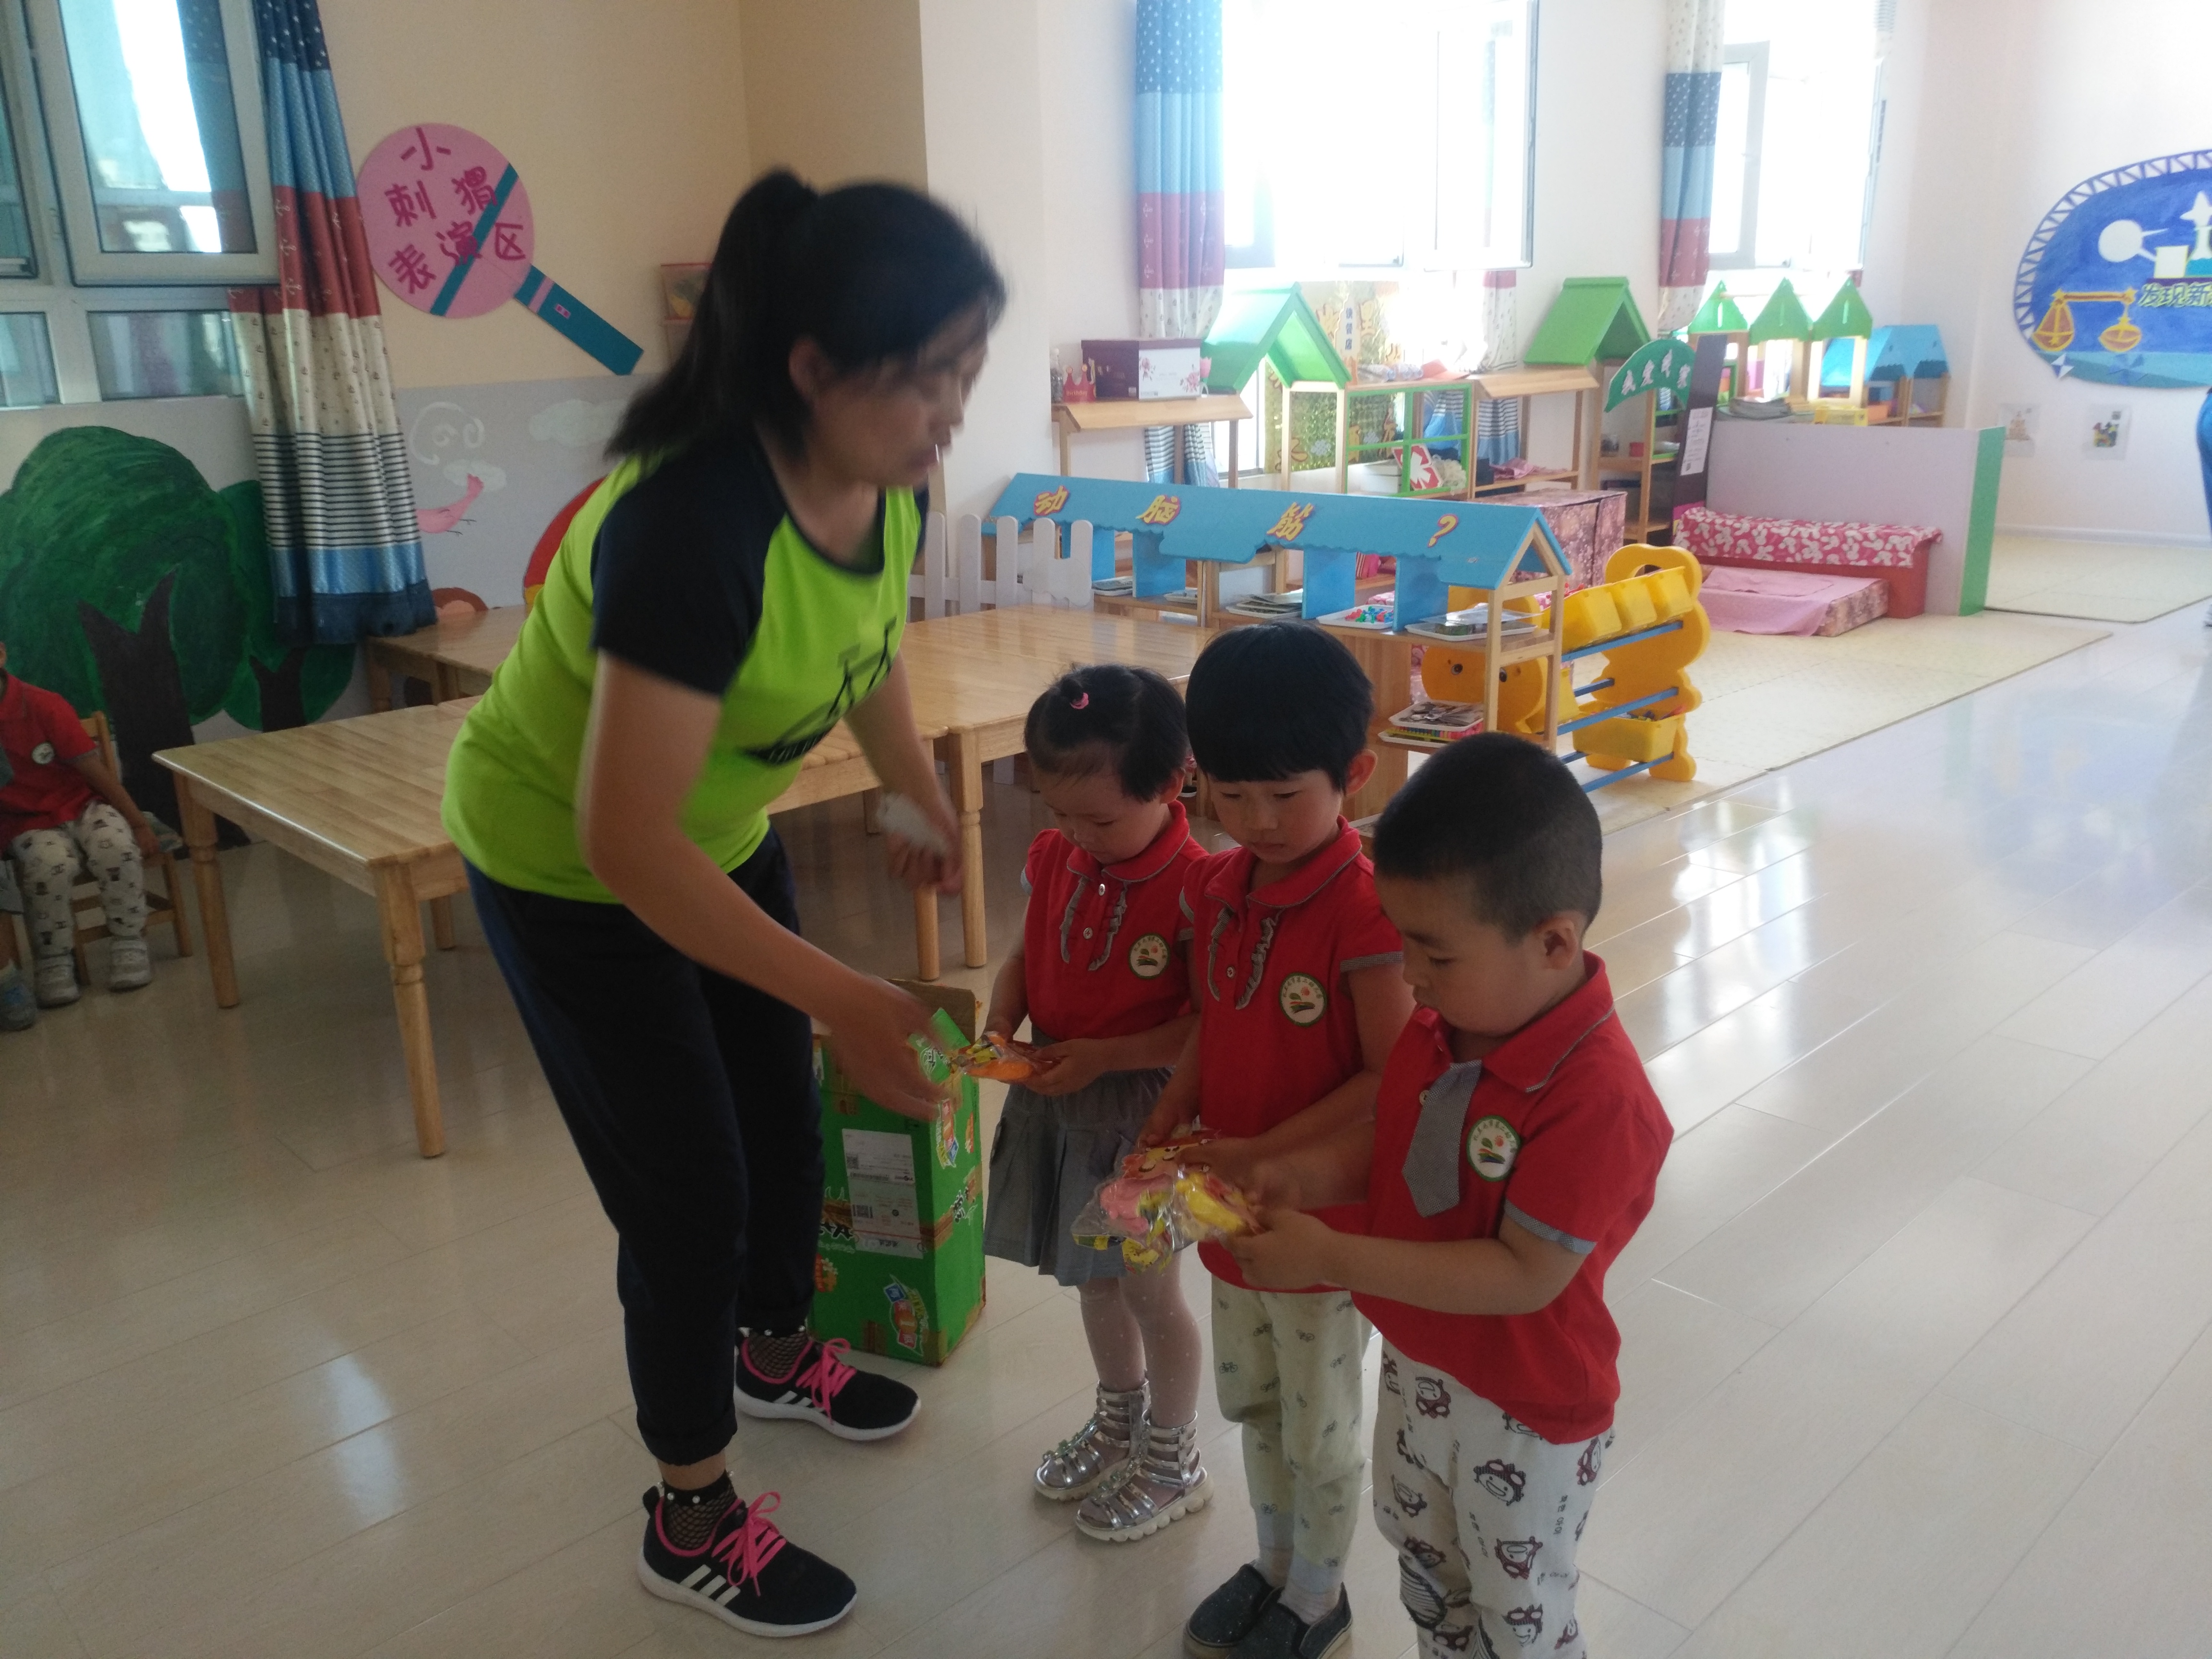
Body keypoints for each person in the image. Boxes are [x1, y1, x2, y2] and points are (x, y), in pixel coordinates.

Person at [440, 170, 1004, 1640]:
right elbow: (626, 846)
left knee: (778, 1120)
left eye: (969, 371)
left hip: (716, 836)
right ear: (812, 369)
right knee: (688, 1192)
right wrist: (851, 994)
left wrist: (913, 791)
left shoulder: (888, 482)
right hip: (571, 870)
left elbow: (869, 648)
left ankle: (771, 1349)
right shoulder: (690, 528)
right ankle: (688, 1511)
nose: (952, 412)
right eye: (929, 376)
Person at [1205, 734, 1672, 1659]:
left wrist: (1331, 1255)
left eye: (1433, 952)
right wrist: (1302, 1175)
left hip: (1525, 1407)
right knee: (1428, 1576)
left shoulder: (1599, 1098)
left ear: (1553, 942)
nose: (1408, 973)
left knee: (1517, 1611)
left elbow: (1523, 1273)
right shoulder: (1442, 1025)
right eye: (1400, 938)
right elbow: (1395, 1143)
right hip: (1419, 1366)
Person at [1140, 623, 1414, 1659]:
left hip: (1318, 1224)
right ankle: (1271, 1565)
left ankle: (1317, 1595)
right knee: (1255, 1403)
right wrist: (1170, 1112)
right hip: (1230, 1211)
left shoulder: (1367, 908)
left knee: (1320, 1424)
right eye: (1229, 793)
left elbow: (1391, 1078)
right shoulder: (1217, 889)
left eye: (1283, 795)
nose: (1255, 820)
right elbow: (1213, 1020)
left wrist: (1263, 1156)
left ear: (1355, 774)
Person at [980, 664, 1210, 1542]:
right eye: (1059, 813)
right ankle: (1119, 1418)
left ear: (1173, 782)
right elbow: (1022, 953)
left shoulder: (1199, 887)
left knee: (1151, 1291)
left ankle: (1174, 1458)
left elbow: (1206, 1027)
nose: (1077, 834)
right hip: (1063, 1100)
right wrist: (1001, 1023)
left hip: (1145, 1118)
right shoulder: (1056, 857)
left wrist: (1106, 1057)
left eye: (1101, 820)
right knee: (1095, 1278)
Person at [0, 639, 163, 1009]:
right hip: (26, 821)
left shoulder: (42, 704)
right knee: (48, 866)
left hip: (84, 804)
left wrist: (138, 823)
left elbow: (93, 770)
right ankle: (55, 960)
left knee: (116, 848)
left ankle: (129, 940)